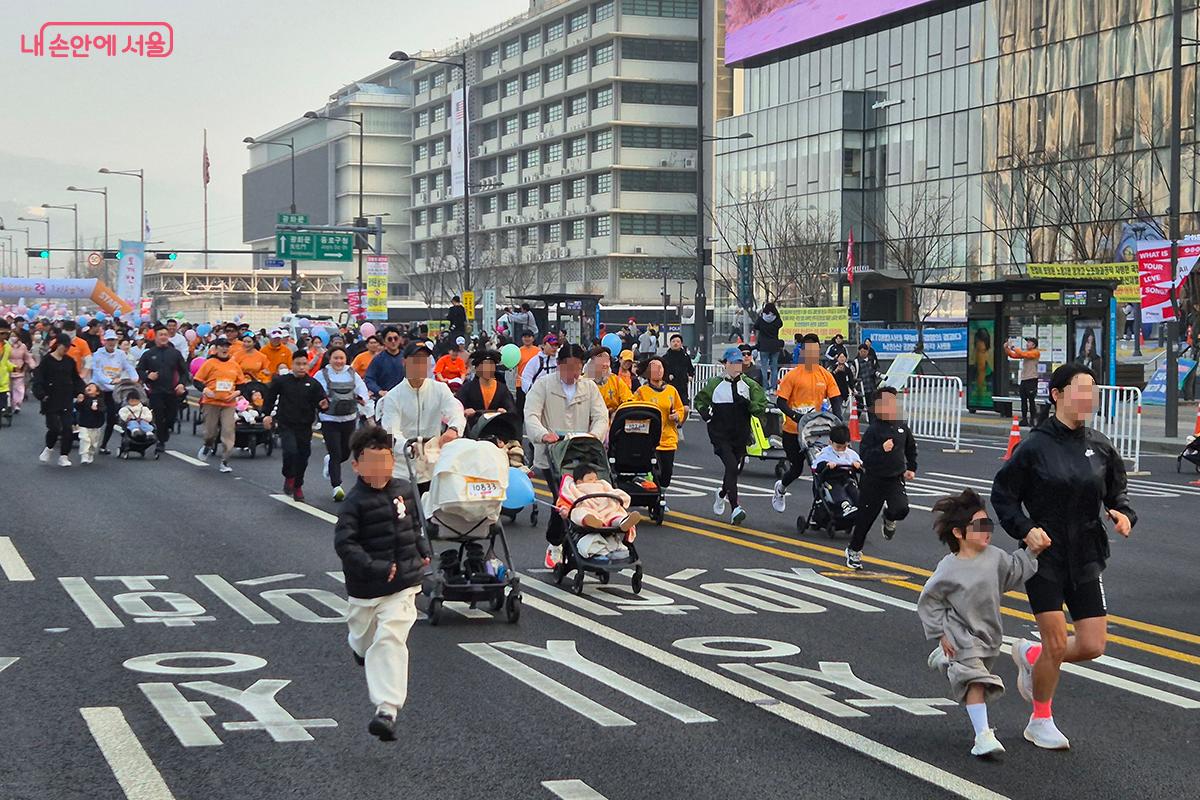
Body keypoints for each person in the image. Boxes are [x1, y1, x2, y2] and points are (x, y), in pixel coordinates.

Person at [990, 363, 1135, 750]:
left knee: (1092, 645)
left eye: (1093, 391)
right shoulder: (1034, 446)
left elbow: (1116, 492)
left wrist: (1122, 513)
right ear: (1056, 395)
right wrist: (1025, 529)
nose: (1089, 398)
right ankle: (1040, 719)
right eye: (1081, 390)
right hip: (1045, 555)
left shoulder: (1100, 446)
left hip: (1087, 553)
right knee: (1057, 642)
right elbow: (1003, 495)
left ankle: (1033, 655)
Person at [918, 489, 1045, 758]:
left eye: (988, 524)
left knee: (977, 674)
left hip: (988, 633)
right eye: (979, 525)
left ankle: (946, 659)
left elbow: (1014, 571)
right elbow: (929, 600)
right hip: (959, 633)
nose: (986, 530)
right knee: (976, 682)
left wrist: (1032, 551)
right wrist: (941, 633)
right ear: (958, 533)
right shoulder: (948, 568)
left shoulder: (995, 557)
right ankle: (983, 736)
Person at [334, 425, 432, 742]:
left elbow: (415, 527)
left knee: (390, 638)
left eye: (385, 461)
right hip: (366, 588)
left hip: (403, 582)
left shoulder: (404, 491)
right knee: (364, 638)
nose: (380, 469)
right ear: (356, 466)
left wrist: (423, 551)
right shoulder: (353, 503)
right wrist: (373, 567)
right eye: (372, 462)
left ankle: (386, 710)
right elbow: (345, 545)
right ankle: (358, 647)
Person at [523, 343, 609, 569]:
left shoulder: (589, 387)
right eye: (569, 368)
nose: (573, 373)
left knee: (589, 496)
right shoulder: (543, 385)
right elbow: (531, 415)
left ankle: (589, 540)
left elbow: (601, 417)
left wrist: (595, 435)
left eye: (578, 368)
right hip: (552, 454)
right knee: (562, 499)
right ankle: (555, 544)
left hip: (582, 453)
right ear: (559, 365)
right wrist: (543, 434)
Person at [375, 341, 466, 490]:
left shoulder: (440, 389)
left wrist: (454, 429)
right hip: (403, 469)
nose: (420, 365)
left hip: (433, 465)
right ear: (404, 362)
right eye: (416, 360)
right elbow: (391, 432)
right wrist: (409, 446)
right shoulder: (393, 396)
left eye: (424, 360)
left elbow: (455, 411)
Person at [693, 346, 767, 526]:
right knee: (732, 467)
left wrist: (748, 404)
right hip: (720, 433)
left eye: (739, 362)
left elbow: (760, 407)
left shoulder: (749, 385)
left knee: (733, 469)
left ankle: (721, 494)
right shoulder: (714, 383)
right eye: (732, 363)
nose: (736, 366)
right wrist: (704, 413)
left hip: (740, 434)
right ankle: (735, 508)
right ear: (725, 364)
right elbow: (700, 400)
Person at [846, 386, 917, 570]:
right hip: (873, 480)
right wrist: (881, 449)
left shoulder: (901, 427)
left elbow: (910, 448)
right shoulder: (874, 430)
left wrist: (911, 467)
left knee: (901, 509)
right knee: (865, 519)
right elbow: (865, 455)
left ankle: (889, 517)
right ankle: (854, 550)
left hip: (895, 478)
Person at [771, 333, 840, 513]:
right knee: (796, 468)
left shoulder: (825, 375)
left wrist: (838, 422)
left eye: (815, 351)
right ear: (802, 352)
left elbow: (836, 399)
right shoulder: (792, 376)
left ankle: (819, 509)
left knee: (819, 469)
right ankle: (781, 488)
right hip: (793, 431)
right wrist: (795, 416)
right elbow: (781, 402)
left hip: (814, 432)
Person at [263, 351, 329, 501]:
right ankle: (289, 476)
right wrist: (266, 414)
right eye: (298, 364)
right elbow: (270, 398)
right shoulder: (282, 381)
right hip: (286, 423)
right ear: (292, 365)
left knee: (303, 456)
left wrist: (324, 405)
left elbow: (322, 402)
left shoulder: (313, 384)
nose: (301, 367)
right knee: (290, 451)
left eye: (304, 364)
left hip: (305, 426)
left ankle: (298, 485)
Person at [314, 346, 370, 502]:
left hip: (349, 418)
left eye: (341, 358)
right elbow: (315, 392)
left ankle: (330, 462)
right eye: (335, 358)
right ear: (329, 359)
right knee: (336, 453)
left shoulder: (352, 373)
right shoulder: (322, 374)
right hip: (329, 419)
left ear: (346, 359)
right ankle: (336, 487)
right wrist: (320, 402)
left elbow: (362, 389)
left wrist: (363, 399)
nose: (338, 361)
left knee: (345, 453)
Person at [556, 463, 644, 559]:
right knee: (577, 512)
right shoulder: (574, 488)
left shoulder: (602, 484)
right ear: (579, 481)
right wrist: (564, 510)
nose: (594, 481)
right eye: (590, 479)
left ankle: (623, 522)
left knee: (616, 513)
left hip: (606, 508)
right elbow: (566, 499)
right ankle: (589, 520)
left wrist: (618, 497)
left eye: (595, 478)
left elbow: (612, 492)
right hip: (588, 507)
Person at [632, 356, 686, 503]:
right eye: (654, 368)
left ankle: (661, 492)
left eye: (660, 367)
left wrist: (677, 415)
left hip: (668, 438)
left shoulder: (671, 390)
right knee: (652, 470)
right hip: (648, 438)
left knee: (667, 473)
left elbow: (680, 409)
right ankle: (656, 498)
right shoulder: (642, 391)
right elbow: (633, 408)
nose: (658, 371)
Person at [194, 337, 248, 474]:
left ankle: (225, 460)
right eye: (222, 346)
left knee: (228, 431)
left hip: (228, 403)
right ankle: (208, 445)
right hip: (211, 402)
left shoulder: (234, 365)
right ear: (216, 348)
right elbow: (197, 380)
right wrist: (205, 390)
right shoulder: (209, 363)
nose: (225, 349)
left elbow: (242, 384)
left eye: (227, 346)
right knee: (210, 432)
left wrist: (236, 393)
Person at [136, 324, 190, 454]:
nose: (164, 337)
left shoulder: (175, 353)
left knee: (171, 417)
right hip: (156, 391)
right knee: (159, 416)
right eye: (161, 335)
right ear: (155, 337)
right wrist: (148, 376)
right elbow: (139, 369)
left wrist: (181, 384)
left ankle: (164, 432)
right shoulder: (149, 354)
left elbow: (184, 372)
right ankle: (161, 441)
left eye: (166, 335)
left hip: (172, 391)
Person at [32, 334, 84, 467]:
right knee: (54, 428)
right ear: (58, 345)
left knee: (68, 428)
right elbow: (38, 379)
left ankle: (64, 456)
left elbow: (76, 379)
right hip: (50, 400)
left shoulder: (69, 361)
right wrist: (41, 395)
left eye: (68, 347)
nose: (66, 349)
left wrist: (80, 392)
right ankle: (49, 448)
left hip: (66, 398)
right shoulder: (47, 361)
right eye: (65, 346)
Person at [90, 330, 139, 455]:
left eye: (113, 340)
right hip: (99, 390)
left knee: (112, 418)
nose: (111, 343)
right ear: (105, 341)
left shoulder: (120, 354)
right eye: (109, 340)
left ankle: (103, 445)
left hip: (113, 391)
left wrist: (134, 377)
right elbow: (97, 372)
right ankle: (90, 442)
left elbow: (128, 367)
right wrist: (109, 381)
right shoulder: (98, 354)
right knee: (97, 417)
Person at [812, 424, 862, 517]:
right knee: (836, 489)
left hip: (846, 478)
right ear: (830, 442)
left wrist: (857, 465)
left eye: (844, 447)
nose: (841, 450)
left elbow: (860, 465)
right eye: (838, 447)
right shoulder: (826, 453)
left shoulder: (850, 454)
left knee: (853, 488)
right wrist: (826, 464)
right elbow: (817, 467)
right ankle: (845, 505)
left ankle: (859, 505)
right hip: (830, 479)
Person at [457, 350, 515, 419]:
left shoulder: (502, 389)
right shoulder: (467, 388)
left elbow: (511, 408)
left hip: (496, 423)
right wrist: (465, 411)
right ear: (477, 368)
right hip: (474, 423)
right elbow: (456, 407)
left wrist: (506, 412)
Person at [1003, 336, 1041, 427]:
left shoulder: (1035, 352)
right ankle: (1024, 419)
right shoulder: (1025, 352)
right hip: (1024, 379)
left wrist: (1013, 347)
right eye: (1027, 342)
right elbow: (1013, 355)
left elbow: (1025, 355)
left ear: (1034, 345)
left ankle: (1032, 419)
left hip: (1032, 379)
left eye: (1029, 342)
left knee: (1031, 400)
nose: (1027, 344)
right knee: (1023, 400)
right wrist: (1006, 348)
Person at [587, 346, 632, 415]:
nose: (605, 364)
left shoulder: (616, 380)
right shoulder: (583, 382)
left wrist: (617, 411)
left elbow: (629, 400)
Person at [364, 327, 407, 398]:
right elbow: (369, 379)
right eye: (390, 339)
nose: (393, 341)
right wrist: (379, 391)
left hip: (405, 397)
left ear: (399, 339)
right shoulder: (378, 359)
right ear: (384, 341)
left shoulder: (407, 357)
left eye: (395, 338)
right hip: (385, 397)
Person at [4, 323, 36, 414]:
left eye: (14, 336)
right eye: (11, 336)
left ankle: (17, 405)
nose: (13, 338)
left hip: (19, 369)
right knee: (7, 390)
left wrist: (33, 365)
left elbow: (27, 357)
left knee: (19, 389)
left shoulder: (23, 346)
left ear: (18, 337)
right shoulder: (5, 346)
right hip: (6, 369)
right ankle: (8, 405)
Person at [752, 302, 785, 390]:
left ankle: (765, 387)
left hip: (764, 346)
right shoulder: (777, 319)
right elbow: (781, 325)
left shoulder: (761, 319)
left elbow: (756, 326)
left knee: (764, 368)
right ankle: (773, 387)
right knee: (774, 368)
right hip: (775, 346)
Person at [662, 333, 694, 418]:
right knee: (671, 410)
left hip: (682, 387)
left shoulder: (685, 356)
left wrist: (690, 376)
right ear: (670, 343)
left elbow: (691, 369)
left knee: (686, 409)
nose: (675, 343)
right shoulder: (665, 357)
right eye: (673, 341)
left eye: (678, 341)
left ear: (681, 344)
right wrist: (667, 376)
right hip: (669, 387)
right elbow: (661, 372)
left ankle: (680, 423)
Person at [75, 383, 107, 465]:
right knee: (84, 439)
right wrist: (79, 402)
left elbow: (103, 410)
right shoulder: (83, 399)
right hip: (84, 424)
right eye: (88, 387)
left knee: (93, 442)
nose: (89, 387)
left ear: (97, 392)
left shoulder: (99, 400)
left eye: (92, 387)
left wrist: (97, 409)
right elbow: (77, 408)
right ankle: (84, 455)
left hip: (95, 425)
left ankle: (90, 453)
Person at [851, 343, 883, 423]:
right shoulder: (856, 362)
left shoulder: (872, 360)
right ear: (859, 351)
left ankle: (872, 424)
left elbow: (875, 371)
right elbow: (852, 374)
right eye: (861, 351)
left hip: (871, 387)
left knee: (871, 407)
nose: (863, 353)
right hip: (860, 388)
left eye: (864, 351)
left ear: (867, 351)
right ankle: (853, 423)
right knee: (859, 406)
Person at [830, 351, 854, 419]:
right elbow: (830, 377)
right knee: (837, 406)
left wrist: (852, 389)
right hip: (835, 390)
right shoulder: (833, 367)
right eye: (840, 357)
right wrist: (836, 371)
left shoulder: (848, 369)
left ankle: (838, 419)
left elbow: (851, 380)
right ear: (837, 358)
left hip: (844, 391)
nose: (842, 359)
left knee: (841, 408)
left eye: (843, 357)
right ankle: (838, 420)